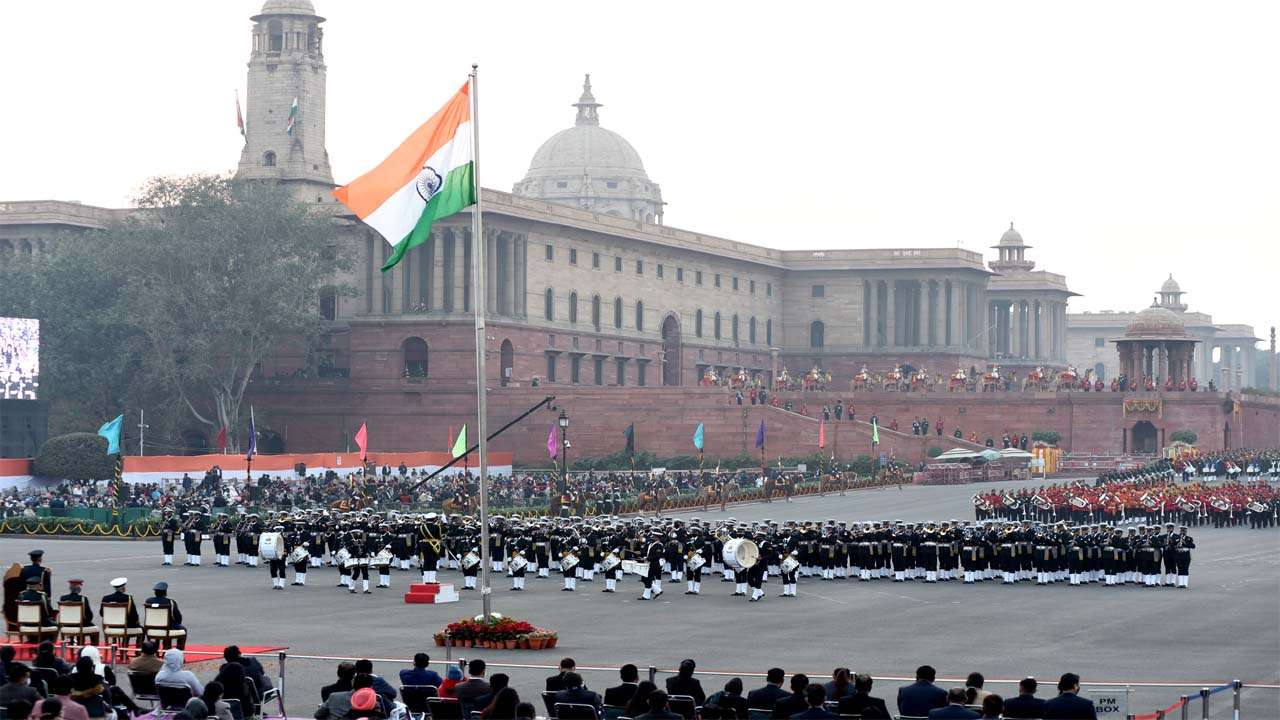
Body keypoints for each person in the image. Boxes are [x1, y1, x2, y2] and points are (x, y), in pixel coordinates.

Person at [143, 582, 186, 650]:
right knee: (183, 629)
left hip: (151, 628)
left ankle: (164, 646)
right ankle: (179, 651)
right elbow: (178, 617)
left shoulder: (148, 601)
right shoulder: (170, 602)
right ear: (165, 592)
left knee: (170, 626)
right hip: (167, 628)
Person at [100, 577, 141, 647]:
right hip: (125, 626)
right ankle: (134, 651)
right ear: (123, 587)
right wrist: (137, 622)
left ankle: (122, 648)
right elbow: (133, 615)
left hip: (111, 626)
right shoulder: (128, 598)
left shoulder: (106, 598)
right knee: (139, 628)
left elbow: (101, 613)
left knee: (128, 624)